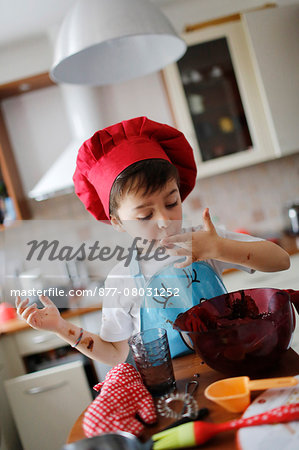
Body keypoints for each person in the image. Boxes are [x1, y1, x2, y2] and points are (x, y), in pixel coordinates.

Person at [16, 116, 290, 366]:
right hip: (177, 389)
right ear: (117, 222)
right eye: (145, 214)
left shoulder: (204, 242)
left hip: (235, 363)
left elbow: (281, 261)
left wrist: (220, 247)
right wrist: (61, 328)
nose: (164, 220)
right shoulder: (121, 280)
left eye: (172, 202)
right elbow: (115, 353)